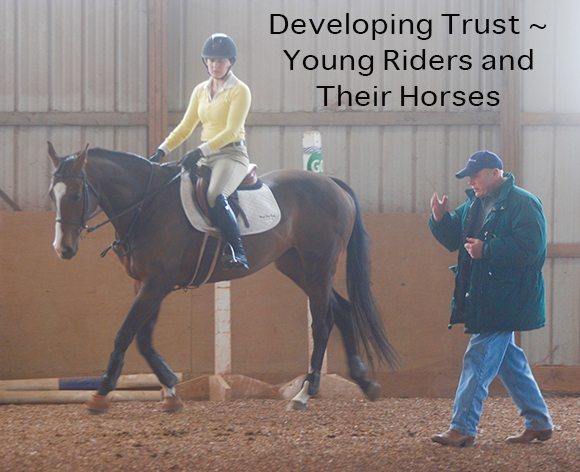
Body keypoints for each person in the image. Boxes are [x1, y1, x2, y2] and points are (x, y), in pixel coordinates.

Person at [428, 150, 553, 447]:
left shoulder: (524, 203)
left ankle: (463, 427)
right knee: (509, 362)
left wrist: (488, 250)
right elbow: (452, 238)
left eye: (476, 175)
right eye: (469, 177)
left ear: (495, 173)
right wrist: (440, 217)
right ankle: (538, 422)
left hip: (508, 297)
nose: (471, 182)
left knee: (478, 356)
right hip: (490, 296)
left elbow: (532, 249)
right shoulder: (475, 204)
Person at [150, 33, 251, 270]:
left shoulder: (240, 90)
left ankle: (238, 252)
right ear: (205, 62)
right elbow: (186, 127)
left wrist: (199, 151)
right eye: (211, 60)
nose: (215, 66)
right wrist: (161, 150)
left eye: (221, 61)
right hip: (207, 155)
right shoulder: (200, 91)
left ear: (230, 62)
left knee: (215, 194)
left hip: (231, 154)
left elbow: (231, 130)